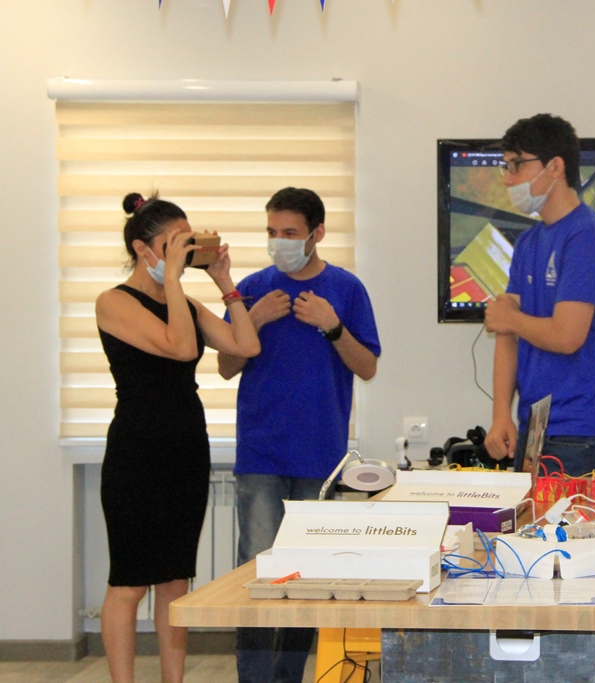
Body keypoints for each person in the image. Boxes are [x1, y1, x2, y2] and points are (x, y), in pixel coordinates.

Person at [218, 187, 381, 683]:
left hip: (321, 456)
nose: (279, 242)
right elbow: (226, 366)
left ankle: (288, 676)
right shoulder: (251, 289)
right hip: (261, 454)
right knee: (255, 570)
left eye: (290, 233)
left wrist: (333, 328)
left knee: (306, 574)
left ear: (317, 234)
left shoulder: (347, 289)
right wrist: (253, 320)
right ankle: (253, 677)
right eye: (272, 232)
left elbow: (367, 367)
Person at [96, 193, 260, 683]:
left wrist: (225, 282)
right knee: (129, 582)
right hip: (136, 451)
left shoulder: (184, 302)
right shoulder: (113, 302)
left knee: (174, 581)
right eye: (175, 244)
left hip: (185, 446)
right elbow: (181, 347)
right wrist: (170, 279)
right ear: (141, 248)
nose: (184, 254)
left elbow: (245, 345)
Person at [483, 113, 595, 477]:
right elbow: (507, 334)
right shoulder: (530, 241)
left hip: (581, 432)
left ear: (555, 167)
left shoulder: (588, 236)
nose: (507, 178)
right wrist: (501, 415)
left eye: (517, 164)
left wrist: (510, 318)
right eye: (505, 166)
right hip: (534, 427)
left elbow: (567, 336)